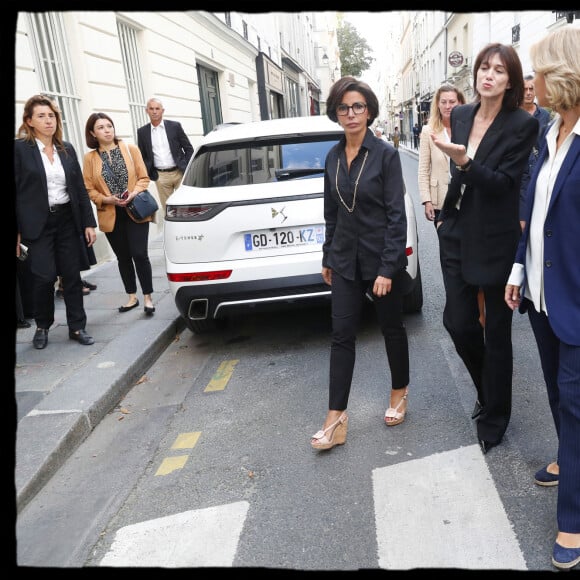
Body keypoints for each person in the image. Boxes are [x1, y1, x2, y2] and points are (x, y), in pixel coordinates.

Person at [431, 43, 538, 454]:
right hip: (456, 230)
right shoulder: (460, 114)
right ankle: (487, 390)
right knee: (458, 323)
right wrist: (443, 216)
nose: (487, 75)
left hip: (494, 238)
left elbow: (502, 184)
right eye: (483, 68)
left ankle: (495, 417)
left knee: (496, 331)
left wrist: (464, 163)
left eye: (498, 70)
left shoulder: (520, 125)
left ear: (510, 80)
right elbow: (464, 177)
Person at [504, 26, 580, 571]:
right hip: (541, 293)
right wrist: (518, 267)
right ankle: (569, 459)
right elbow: (533, 213)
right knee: (558, 394)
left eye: (540, 72)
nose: (533, 83)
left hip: (576, 298)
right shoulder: (546, 131)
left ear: (566, 72)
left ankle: (573, 520)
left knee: (576, 407)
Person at [310, 76, 410, 450]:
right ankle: (335, 419)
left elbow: (396, 216)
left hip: (379, 257)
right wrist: (328, 254)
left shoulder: (385, 154)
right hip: (345, 261)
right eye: (343, 108)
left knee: (392, 329)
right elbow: (331, 211)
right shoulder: (333, 156)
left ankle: (399, 392)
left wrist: (387, 268)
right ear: (335, 113)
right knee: (341, 336)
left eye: (358, 107)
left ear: (369, 111)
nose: (351, 114)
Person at [14, 94, 97, 349]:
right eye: (41, 116)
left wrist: (88, 222)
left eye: (51, 115)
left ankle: (77, 327)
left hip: (66, 221)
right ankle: (42, 325)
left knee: (72, 276)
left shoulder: (66, 148)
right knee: (44, 276)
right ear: (29, 121)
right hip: (36, 225)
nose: (48, 120)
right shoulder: (19, 150)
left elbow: (79, 188)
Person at [83, 112, 156, 315]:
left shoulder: (130, 149)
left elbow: (144, 177)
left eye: (109, 126)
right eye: (101, 127)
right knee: (123, 257)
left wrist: (132, 193)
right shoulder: (90, 158)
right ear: (92, 133)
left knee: (140, 254)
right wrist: (107, 199)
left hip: (135, 210)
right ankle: (131, 297)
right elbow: (88, 189)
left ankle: (148, 297)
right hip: (111, 214)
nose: (107, 130)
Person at [418, 84, 466, 226]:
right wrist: (427, 201)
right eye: (443, 102)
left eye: (452, 102)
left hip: (466, 200)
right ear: (437, 105)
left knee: (468, 246)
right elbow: (423, 170)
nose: (447, 106)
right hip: (440, 200)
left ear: (460, 103)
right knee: (446, 246)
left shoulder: (468, 128)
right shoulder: (428, 131)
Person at [137, 97, 193, 214]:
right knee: (170, 210)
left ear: (162, 111)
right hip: (161, 176)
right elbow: (142, 155)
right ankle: (174, 231)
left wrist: (187, 167)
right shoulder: (142, 132)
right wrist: (149, 172)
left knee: (185, 206)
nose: (154, 111)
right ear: (147, 111)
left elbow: (188, 148)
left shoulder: (175, 126)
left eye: (157, 108)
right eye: (151, 109)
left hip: (179, 172)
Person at [519, 74, 552, 229]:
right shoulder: (513, 115)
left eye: (531, 88)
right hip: (519, 175)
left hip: (539, 173)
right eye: (525, 89)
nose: (528, 92)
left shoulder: (544, 115)